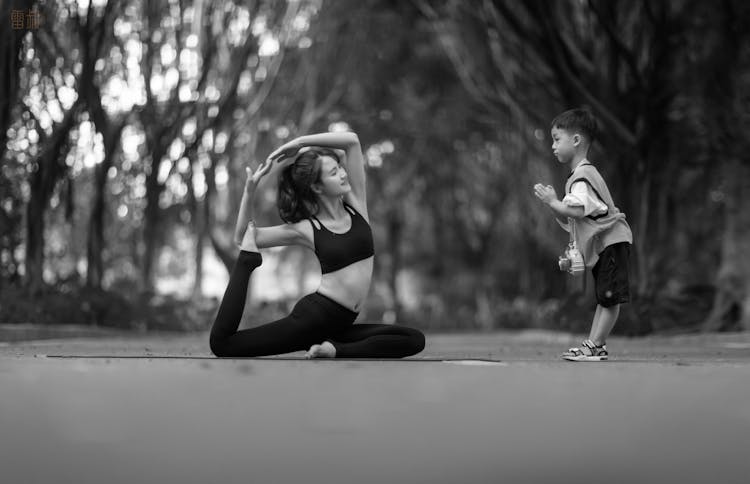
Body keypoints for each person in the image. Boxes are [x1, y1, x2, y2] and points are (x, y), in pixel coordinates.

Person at [209, 131, 425, 359]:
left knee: (413, 340)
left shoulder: (357, 205)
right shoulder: (308, 229)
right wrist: (249, 192)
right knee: (224, 345)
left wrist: (300, 142)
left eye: (340, 168)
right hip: (313, 320)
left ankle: (334, 349)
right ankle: (247, 263)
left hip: (340, 325)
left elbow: (351, 141)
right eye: (334, 172)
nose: (343, 174)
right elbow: (242, 237)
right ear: (318, 187)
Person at [533, 108, 633, 361]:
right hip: (607, 244)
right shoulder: (580, 176)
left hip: (612, 242)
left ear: (576, 140)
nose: (553, 146)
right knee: (605, 298)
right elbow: (574, 219)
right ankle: (595, 344)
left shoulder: (582, 177)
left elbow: (575, 211)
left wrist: (551, 200)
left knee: (610, 299)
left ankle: (595, 345)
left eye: (557, 139)